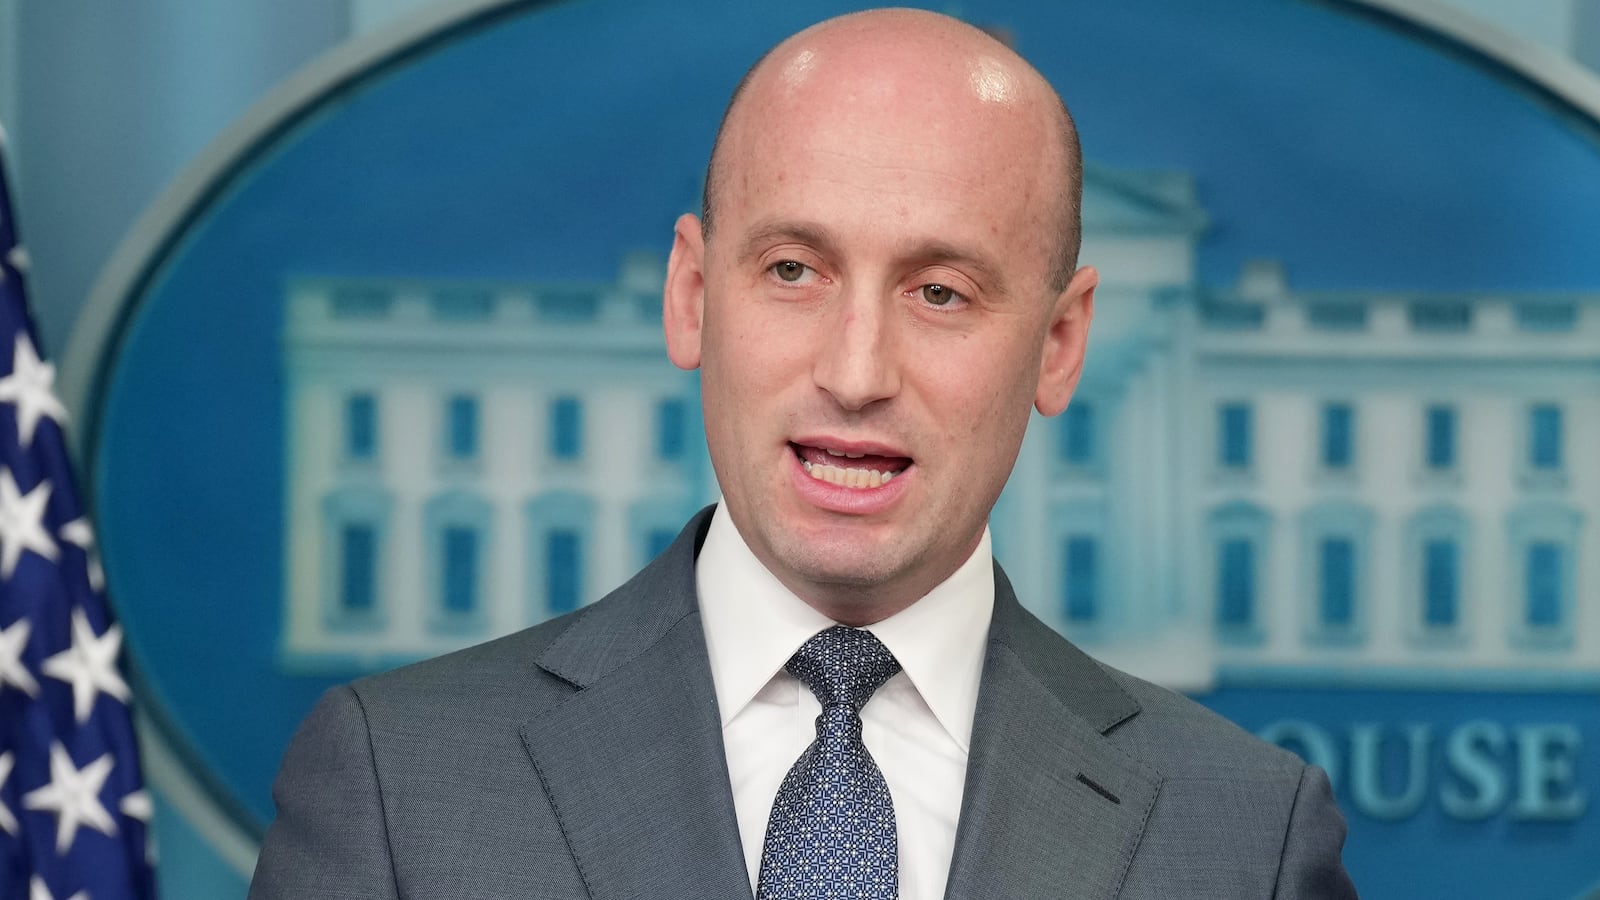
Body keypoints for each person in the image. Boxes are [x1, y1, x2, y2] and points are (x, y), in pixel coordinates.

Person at [250, 8, 1357, 898]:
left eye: (940, 291)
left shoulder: (1242, 839)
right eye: (793, 271)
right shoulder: (401, 784)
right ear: (691, 299)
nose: (856, 369)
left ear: (1058, 346)